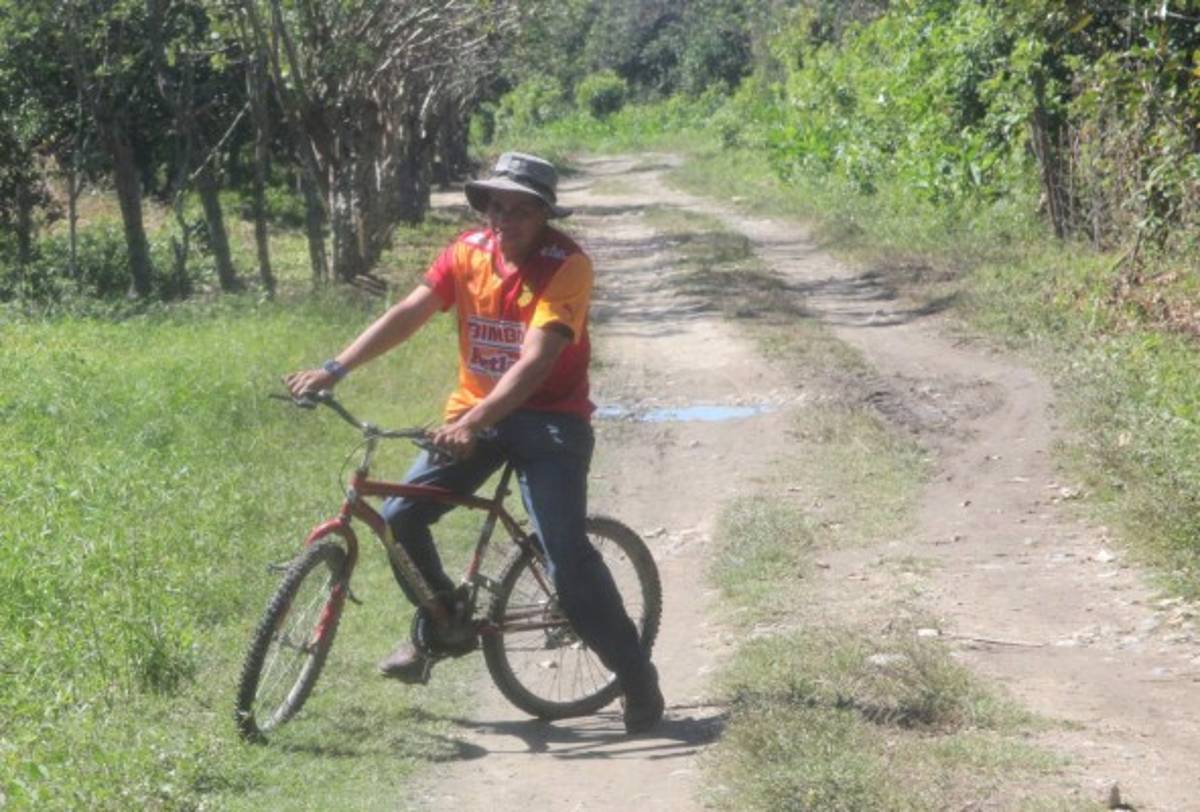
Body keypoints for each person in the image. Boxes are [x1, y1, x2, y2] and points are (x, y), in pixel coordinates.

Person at [284, 152, 664, 734]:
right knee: (401, 518)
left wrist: (479, 418)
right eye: (494, 205)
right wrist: (335, 368)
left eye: (519, 209)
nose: (502, 219)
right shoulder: (467, 251)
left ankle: (637, 679)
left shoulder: (567, 266)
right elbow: (410, 311)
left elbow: (537, 362)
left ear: (543, 215)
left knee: (566, 556)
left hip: (550, 422)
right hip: (474, 416)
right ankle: (443, 624)